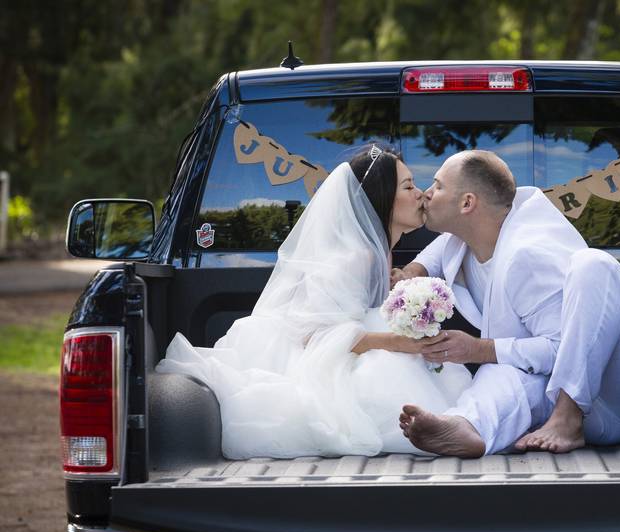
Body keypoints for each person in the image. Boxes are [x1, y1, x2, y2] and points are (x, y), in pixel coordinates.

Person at [155, 146, 472, 459]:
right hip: (310, 358)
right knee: (392, 368)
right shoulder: (355, 258)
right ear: (383, 198)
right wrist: (399, 342)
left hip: (337, 345)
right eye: (408, 186)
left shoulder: (377, 252)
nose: (421, 193)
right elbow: (314, 334)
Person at [395, 150, 620, 457]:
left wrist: (478, 349)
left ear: (467, 203)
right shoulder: (471, 233)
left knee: (593, 264)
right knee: (501, 371)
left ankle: (567, 419)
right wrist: (413, 272)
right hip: (586, 414)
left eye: (438, 186)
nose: (427, 193)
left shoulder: (527, 254)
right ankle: (468, 426)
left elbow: (563, 350)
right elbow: (440, 250)